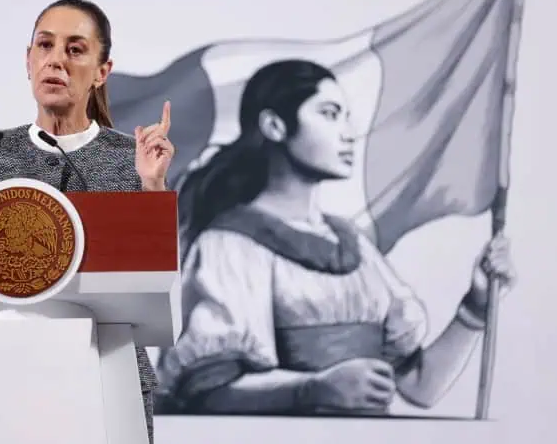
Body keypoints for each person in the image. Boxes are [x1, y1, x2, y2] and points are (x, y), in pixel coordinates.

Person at [154, 59, 515, 416]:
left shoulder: (353, 244)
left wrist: (476, 306)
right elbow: (207, 391)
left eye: (346, 116)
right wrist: (315, 388)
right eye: (329, 114)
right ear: (275, 125)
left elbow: (420, 387)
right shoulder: (231, 244)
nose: (348, 132)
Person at [0, 0, 175, 443]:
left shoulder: (132, 161)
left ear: (102, 71)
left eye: (75, 49)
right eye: (45, 46)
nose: (56, 61)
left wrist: (152, 188)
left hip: (108, 380)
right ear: (28, 61)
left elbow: (157, 282)